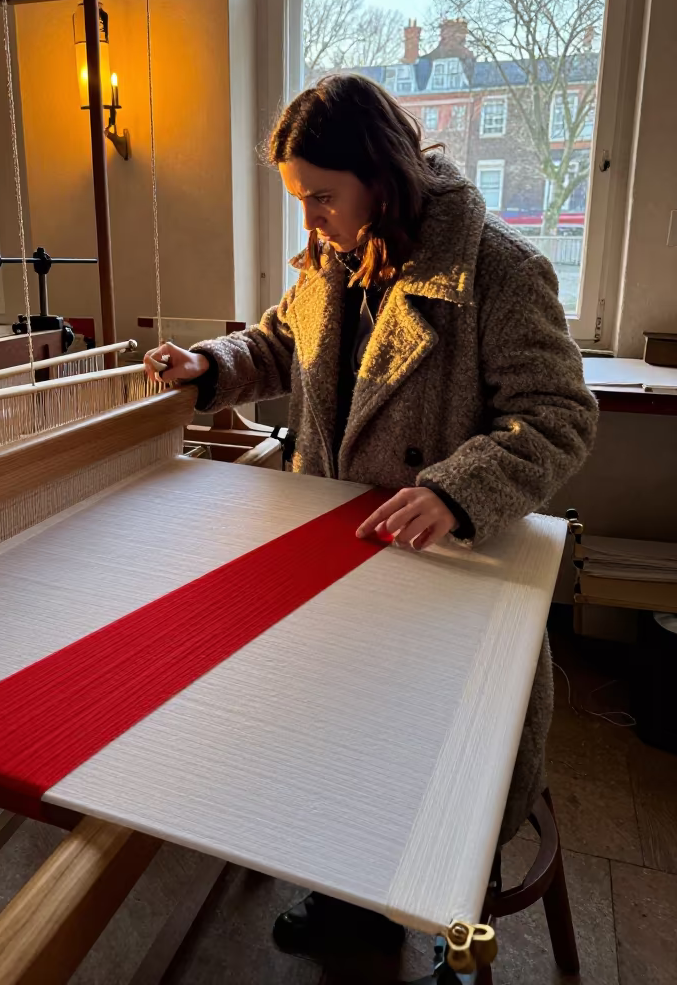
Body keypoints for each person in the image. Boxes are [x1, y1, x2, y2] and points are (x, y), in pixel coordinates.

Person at [144, 73, 598, 965]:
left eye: (322, 198)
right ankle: (347, 895)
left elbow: (559, 415)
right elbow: (277, 343)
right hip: (332, 557)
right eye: (300, 200)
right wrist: (207, 362)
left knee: (426, 770)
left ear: (382, 178)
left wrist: (457, 488)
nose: (310, 221)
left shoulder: (499, 271)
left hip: (439, 569)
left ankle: (429, 915)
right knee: (334, 742)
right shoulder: (332, 261)